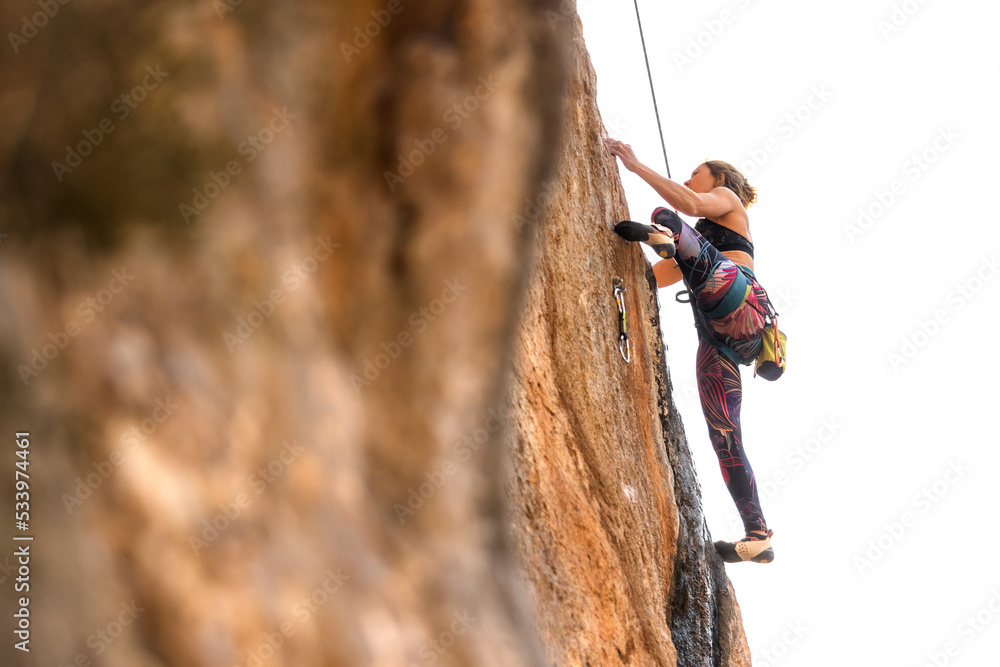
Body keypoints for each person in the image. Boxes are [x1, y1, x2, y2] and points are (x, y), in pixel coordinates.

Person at [606, 137, 775, 564]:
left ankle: (663, 234)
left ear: (718, 178)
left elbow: (691, 206)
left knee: (668, 216)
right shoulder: (698, 247)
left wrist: (636, 166)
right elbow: (658, 277)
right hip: (725, 339)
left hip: (740, 300)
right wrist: (654, 249)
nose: (688, 179)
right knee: (725, 435)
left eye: (695, 173)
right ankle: (758, 536)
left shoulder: (727, 198)